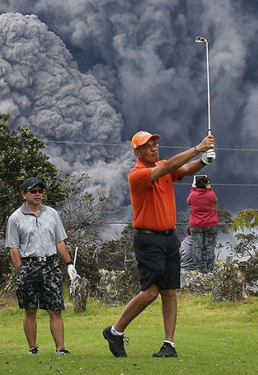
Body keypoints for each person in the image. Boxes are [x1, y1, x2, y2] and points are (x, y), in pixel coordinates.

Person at [103, 131, 215, 358]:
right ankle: (115, 331)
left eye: (155, 144)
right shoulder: (137, 174)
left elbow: (183, 170)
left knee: (169, 291)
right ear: (137, 152)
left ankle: (169, 345)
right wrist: (198, 148)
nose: (154, 148)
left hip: (169, 237)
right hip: (148, 239)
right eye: (148, 146)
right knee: (151, 292)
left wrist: (203, 161)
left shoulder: (163, 165)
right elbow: (166, 168)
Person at [5, 176, 75, 355]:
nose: (37, 194)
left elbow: (59, 241)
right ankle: (32, 348)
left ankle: (60, 348)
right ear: (24, 194)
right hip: (29, 264)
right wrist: (21, 269)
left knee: (55, 308)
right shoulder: (15, 218)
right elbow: (13, 247)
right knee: (30, 309)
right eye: (33, 191)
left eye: (40, 191)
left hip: (50, 264)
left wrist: (69, 264)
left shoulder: (52, 213)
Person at [186, 174, 219, 273]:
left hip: (196, 225)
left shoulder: (193, 195)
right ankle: (210, 270)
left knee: (197, 247)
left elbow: (189, 202)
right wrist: (209, 189)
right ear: (205, 184)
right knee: (210, 247)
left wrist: (193, 188)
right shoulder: (210, 194)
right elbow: (215, 201)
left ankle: (197, 270)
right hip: (211, 224)